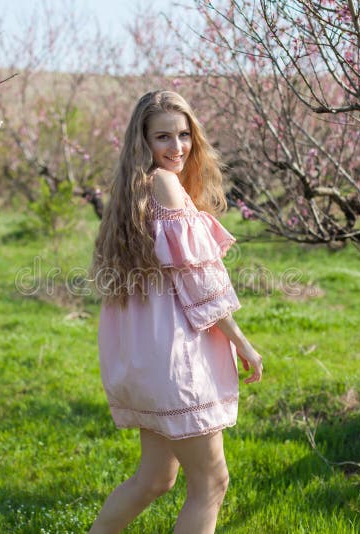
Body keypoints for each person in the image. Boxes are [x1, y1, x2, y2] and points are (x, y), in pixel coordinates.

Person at [89, 90, 264, 533]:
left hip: (148, 360)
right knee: (211, 481)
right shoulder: (164, 185)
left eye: (184, 134)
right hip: (177, 360)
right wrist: (240, 339)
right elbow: (198, 277)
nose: (177, 147)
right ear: (142, 141)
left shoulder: (136, 190)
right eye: (163, 136)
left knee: (155, 478)